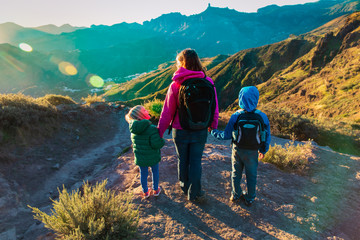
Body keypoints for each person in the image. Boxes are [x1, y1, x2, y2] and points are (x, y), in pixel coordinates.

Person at [157, 48, 219, 202]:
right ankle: (195, 193)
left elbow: (167, 113)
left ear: (181, 64)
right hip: (201, 129)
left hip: (181, 130)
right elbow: (215, 108)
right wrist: (213, 125)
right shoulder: (208, 82)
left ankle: (185, 187)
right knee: (196, 161)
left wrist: (159, 133)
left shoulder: (176, 84)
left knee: (182, 160)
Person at [211, 86, 271, 206]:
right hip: (253, 151)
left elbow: (226, 135)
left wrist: (213, 131)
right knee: (251, 175)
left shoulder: (235, 116)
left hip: (237, 150)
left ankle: (236, 194)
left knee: (236, 173)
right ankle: (250, 198)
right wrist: (263, 150)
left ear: (240, 98)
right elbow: (266, 136)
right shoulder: (262, 116)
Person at [126, 105, 165, 199]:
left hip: (140, 157)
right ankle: (156, 190)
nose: (147, 111)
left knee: (143, 174)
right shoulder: (151, 129)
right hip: (152, 156)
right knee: (155, 171)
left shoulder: (133, 130)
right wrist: (162, 140)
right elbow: (157, 144)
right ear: (140, 115)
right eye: (144, 110)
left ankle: (145, 192)